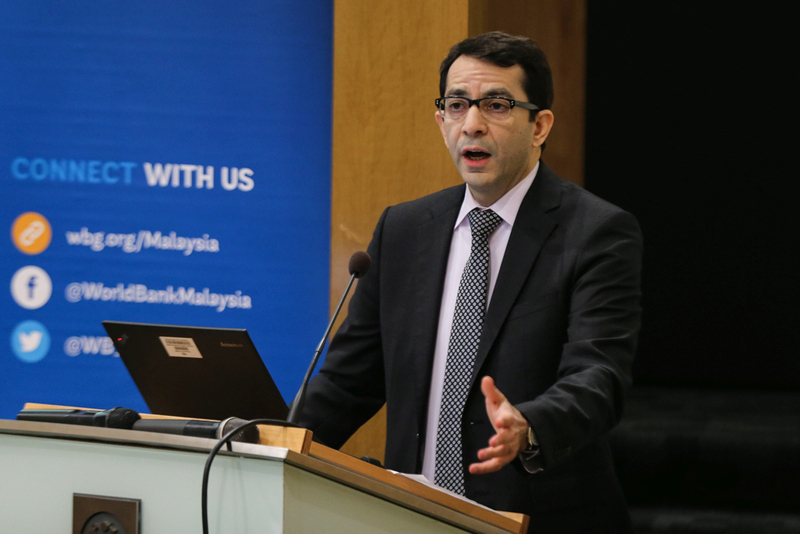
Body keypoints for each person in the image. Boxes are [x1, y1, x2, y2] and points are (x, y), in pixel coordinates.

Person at [300, 31, 642, 532]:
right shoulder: (404, 229)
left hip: (536, 518)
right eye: (457, 105)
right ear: (441, 121)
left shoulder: (596, 232)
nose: (473, 124)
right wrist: (261, 441)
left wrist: (529, 425)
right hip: (414, 516)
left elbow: (598, 376)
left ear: (540, 126)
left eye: (497, 106)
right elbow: (349, 382)